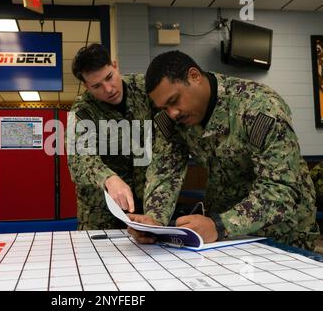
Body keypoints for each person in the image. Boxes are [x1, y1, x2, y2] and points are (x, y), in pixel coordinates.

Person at [128, 50, 320, 250]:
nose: (172, 113)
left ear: (194, 77)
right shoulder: (172, 119)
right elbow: (165, 169)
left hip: (281, 231)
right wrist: (154, 222)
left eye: (174, 100)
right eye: (163, 108)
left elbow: (281, 189)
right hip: (223, 233)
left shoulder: (258, 107)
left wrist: (220, 225)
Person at [67, 43, 157, 230]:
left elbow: (166, 130)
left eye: (109, 77)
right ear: (86, 86)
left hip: (145, 203)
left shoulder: (145, 89)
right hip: (101, 211)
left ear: (115, 65)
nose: (108, 89)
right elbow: (78, 160)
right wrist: (109, 178)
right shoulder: (82, 110)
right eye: (97, 86)